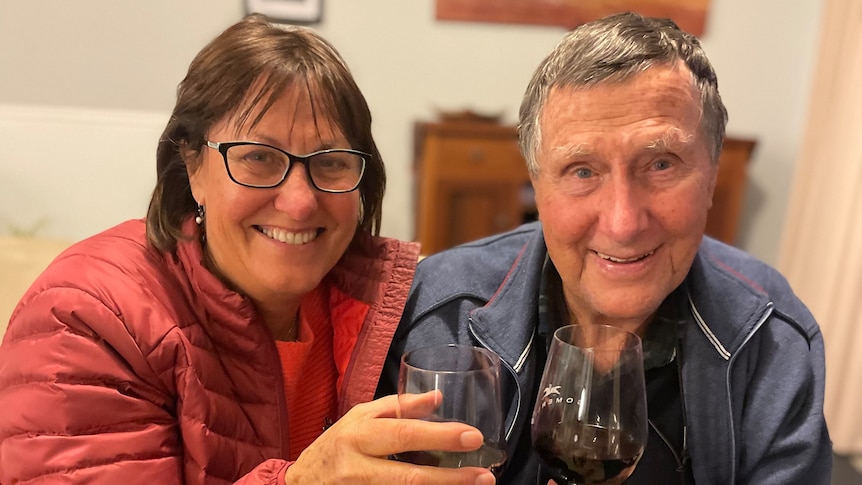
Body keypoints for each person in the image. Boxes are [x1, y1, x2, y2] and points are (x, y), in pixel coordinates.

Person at [0, 15, 497, 485]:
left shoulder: (389, 308)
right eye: (258, 157)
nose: (300, 202)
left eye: (331, 162)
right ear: (192, 166)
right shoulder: (88, 318)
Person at [378, 11, 832, 485]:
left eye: (661, 164)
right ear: (536, 184)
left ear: (712, 175)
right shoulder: (436, 314)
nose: (623, 222)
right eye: (582, 170)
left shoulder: (770, 338)